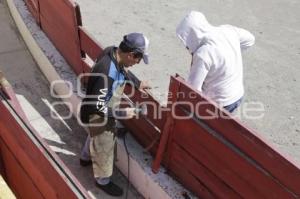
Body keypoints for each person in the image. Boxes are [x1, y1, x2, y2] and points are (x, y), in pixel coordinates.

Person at [79, 32, 151, 196]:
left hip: (98, 105)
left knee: (94, 135)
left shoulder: (112, 51)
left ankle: (84, 158)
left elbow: (124, 71)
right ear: (132, 55)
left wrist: (137, 83)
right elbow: (97, 107)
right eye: (138, 60)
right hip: (97, 112)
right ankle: (102, 181)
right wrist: (122, 112)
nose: (137, 63)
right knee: (105, 144)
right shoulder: (106, 73)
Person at [176, 11, 255, 112]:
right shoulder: (228, 30)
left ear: (193, 35)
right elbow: (250, 40)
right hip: (238, 94)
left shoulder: (203, 54)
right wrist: (230, 54)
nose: (187, 47)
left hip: (221, 102)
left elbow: (193, 89)